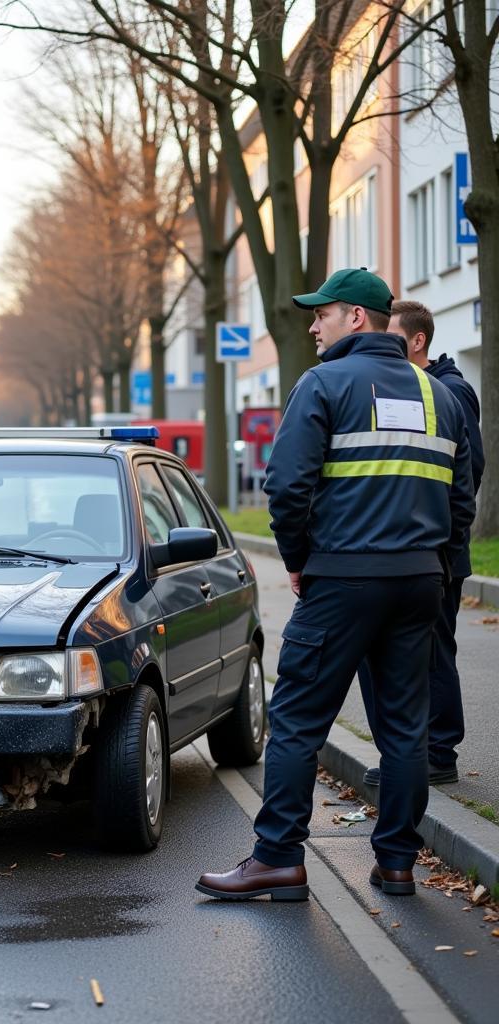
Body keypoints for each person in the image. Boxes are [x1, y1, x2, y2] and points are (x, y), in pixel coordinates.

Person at [196, 268, 475, 901]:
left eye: (321, 314)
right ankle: (398, 863)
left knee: (296, 718)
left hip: (343, 578)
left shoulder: (323, 383)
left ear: (356, 318)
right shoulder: (440, 397)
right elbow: (462, 500)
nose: (313, 325)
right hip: (417, 583)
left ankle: (277, 859)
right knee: (405, 728)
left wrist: (297, 558)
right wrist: (437, 563)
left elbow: (287, 487)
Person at [358, 301, 485, 787]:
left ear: (417, 341)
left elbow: (466, 473)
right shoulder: (404, 387)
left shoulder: (450, 391)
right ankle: (411, 753)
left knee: (433, 652)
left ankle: (439, 752)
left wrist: (441, 539)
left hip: (437, 552)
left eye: (391, 337)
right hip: (410, 548)